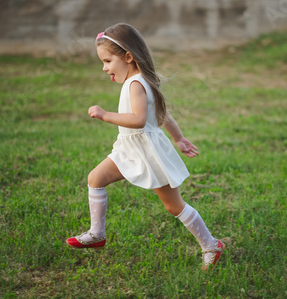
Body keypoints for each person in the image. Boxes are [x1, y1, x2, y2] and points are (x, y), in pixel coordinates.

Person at [65, 23, 224, 269]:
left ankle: (211, 245)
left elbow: (139, 120)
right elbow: (163, 115)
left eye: (108, 61)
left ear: (128, 57)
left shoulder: (136, 84)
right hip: (127, 149)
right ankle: (97, 234)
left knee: (174, 206)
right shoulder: (138, 81)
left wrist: (105, 114)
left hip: (147, 152)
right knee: (95, 178)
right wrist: (178, 138)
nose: (105, 68)